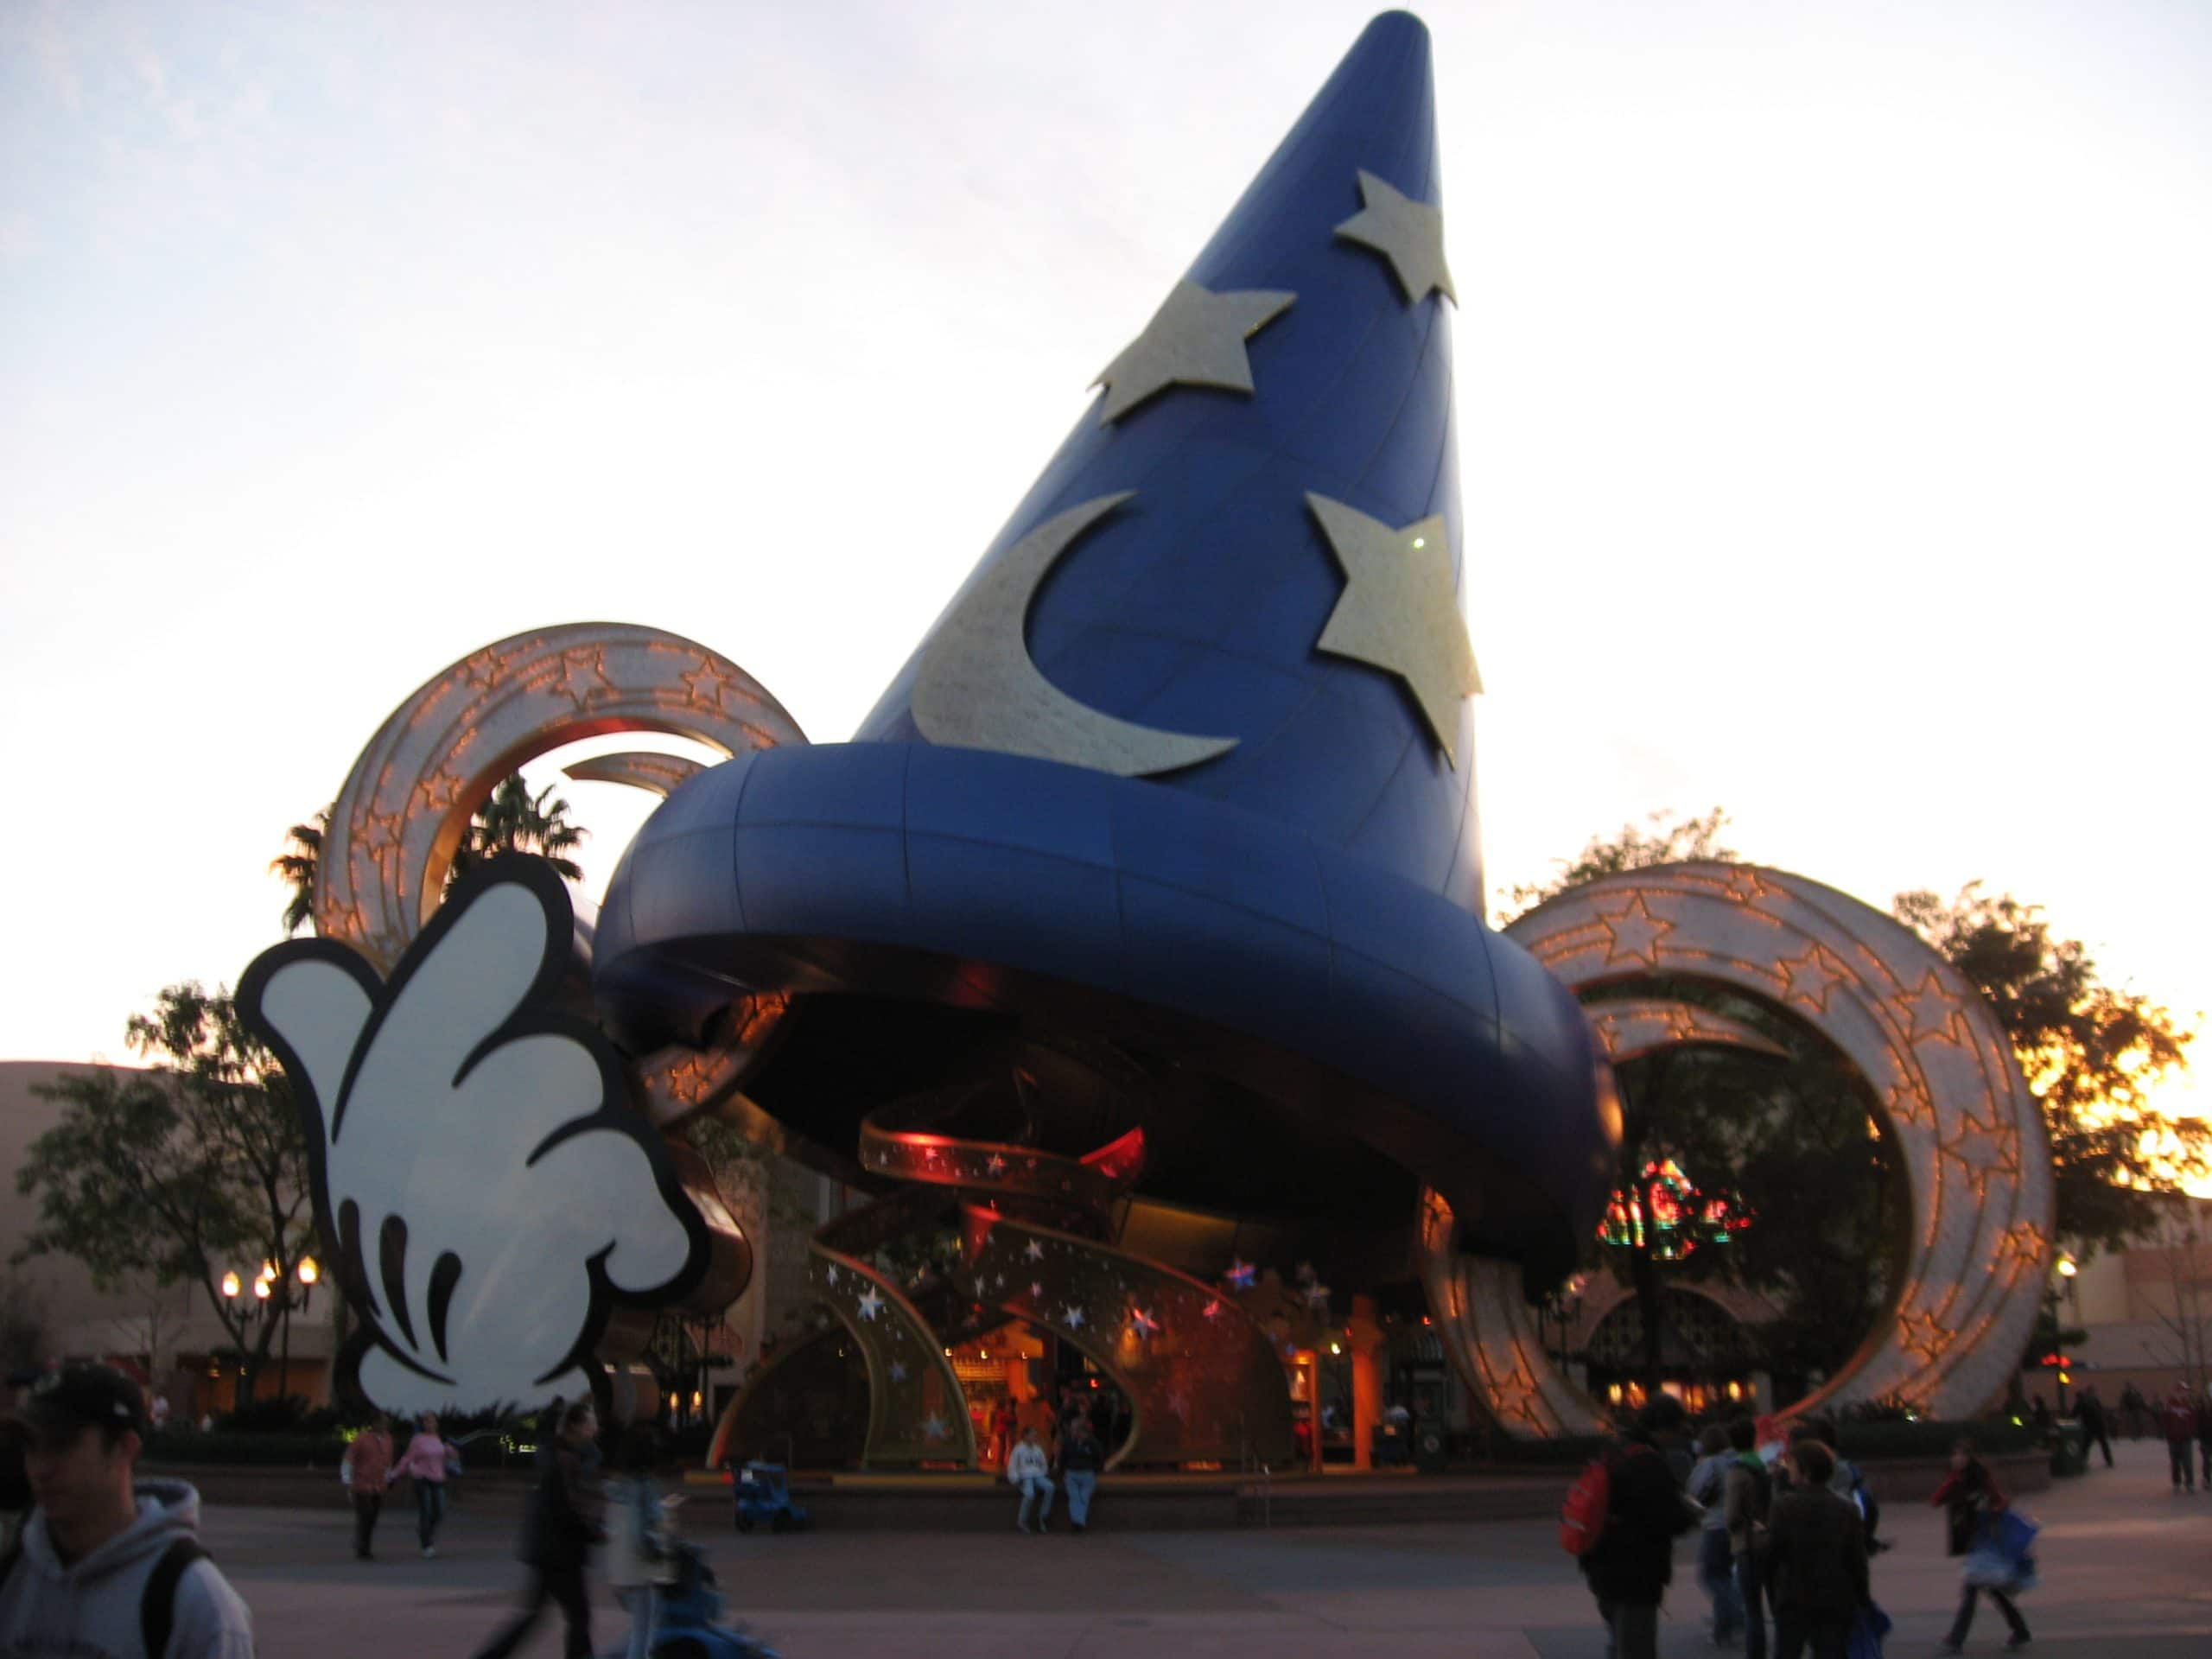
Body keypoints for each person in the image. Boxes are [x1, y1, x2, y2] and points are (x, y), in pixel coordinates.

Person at [0, 1361, 254, 1656]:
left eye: (61, 1445)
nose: (40, 1467)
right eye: (31, 1446)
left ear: (125, 1448)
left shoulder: (195, 1602)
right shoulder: (13, 1575)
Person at [473, 1399, 604, 1659]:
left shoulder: (554, 1454)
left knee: (537, 1613)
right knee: (577, 1614)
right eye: (591, 1424)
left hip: (548, 1547)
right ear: (575, 1427)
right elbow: (568, 1507)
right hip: (559, 1551)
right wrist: (594, 1532)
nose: (594, 1430)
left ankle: (490, 1656)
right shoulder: (564, 1459)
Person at [1581, 1395, 1695, 1659]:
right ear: (1665, 1428)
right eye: (1678, 1430)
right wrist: (1690, 1515)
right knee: (1636, 1646)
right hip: (1636, 1572)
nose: (1680, 1438)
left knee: (1617, 1641)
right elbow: (1669, 1518)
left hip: (1600, 1564)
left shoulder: (1611, 1452)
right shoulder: (1649, 1462)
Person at [1764, 1440, 1868, 1659]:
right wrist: (1861, 1598)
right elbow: (1857, 1561)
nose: (1787, 1469)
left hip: (1794, 1596)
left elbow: (1772, 1555)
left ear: (1805, 1470)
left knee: (1788, 1652)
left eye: (1791, 1464)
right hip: (1835, 1597)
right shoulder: (1847, 1509)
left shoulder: (1784, 1506)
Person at [1931, 1437, 2030, 1652]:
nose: (1956, 1458)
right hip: (1973, 1543)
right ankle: (2020, 1630)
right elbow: (1936, 1500)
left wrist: (1991, 1510)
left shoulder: (1981, 1478)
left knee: (1972, 1591)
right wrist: (1953, 1478)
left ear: (1969, 1457)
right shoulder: (1957, 1480)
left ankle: (1956, 1639)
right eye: (1954, 1455)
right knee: (1994, 1591)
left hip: (1985, 1543)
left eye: (1960, 1455)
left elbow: (2001, 1501)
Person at [601, 1423, 666, 1659]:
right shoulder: (643, 1487)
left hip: (618, 1570)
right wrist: (657, 1551)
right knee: (643, 1632)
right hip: (639, 1570)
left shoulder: (615, 1487)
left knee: (640, 1626)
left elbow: (607, 1529)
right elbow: (642, 1531)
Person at [1722, 1415, 1774, 1659]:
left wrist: (1733, 1527)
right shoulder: (1765, 1466)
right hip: (1769, 1539)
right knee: (1775, 1603)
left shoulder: (1737, 1472)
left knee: (1753, 1609)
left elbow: (1731, 1515)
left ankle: (1756, 1654)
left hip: (1746, 1543)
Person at [1688, 1423, 1744, 1644]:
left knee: (1710, 1575)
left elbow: (1696, 1491)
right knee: (1725, 1575)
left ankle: (1735, 1615)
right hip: (1736, 1523)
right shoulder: (1736, 1461)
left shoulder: (1710, 1464)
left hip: (1715, 1524)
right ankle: (1724, 1628)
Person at [388, 1408, 461, 1556]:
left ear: (436, 1423)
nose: (429, 1423)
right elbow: (407, 1459)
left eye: (432, 1420)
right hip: (422, 1478)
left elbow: (449, 1457)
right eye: (426, 1420)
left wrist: (451, 1451)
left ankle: (426, 1531)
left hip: (438, 1478)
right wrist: (394, 1474)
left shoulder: (440, 1439)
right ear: (422, 1424)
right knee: (426, 1511)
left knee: (439, 1511)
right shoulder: (418, 1440)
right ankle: (426, 1544)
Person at [341, 1412, 394, 1560]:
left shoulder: (388, 1439)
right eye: (382, 1423)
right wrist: (347, 1479)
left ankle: (363, 1543)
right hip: (361, 1484)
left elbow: (388, 1461)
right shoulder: (361, 1440)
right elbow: (348, 1459)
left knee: (373, 1517)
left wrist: (388, 1477)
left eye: (386, 1423)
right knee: (366, 1514)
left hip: (379, 1484)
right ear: (374, 1424)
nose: (384, 1426)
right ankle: (362, 1547)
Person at [1058, 1414, 1104, 1534]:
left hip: (1087, 1474)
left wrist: (1095, 1470)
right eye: (1072, 1429)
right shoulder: (1068, 1442)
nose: (1072, 1431)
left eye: (1074, 1429)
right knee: (1074, 1497)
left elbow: (1100, 1458)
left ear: (1081, 1430)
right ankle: (1078, 1523)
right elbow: (1062, 1458)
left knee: (1084, 1497)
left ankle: (1077, 1521)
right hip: (1071, 1474)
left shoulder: (1092, 1443)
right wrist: (1063, 1472)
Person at [1007, 1426, 1055, 1534]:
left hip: (1037, 1475)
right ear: (1026, 1436)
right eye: (1032, 1435)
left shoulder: (1038, 1449)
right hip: (1024, 1476)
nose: (1034, 1437)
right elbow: (1012, 1465)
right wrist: (1015, 1478)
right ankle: (1022, 1521)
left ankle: (1042, 1516)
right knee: (1029, 1494)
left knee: (1050, 1487)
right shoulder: (1018, 1449)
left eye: (1035, 1435)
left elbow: (1043, 1464)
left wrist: (1042, 1473)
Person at [2158, 1381, 2197, 1492]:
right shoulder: (2169, 1405)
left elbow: (2193, 1421)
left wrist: (2190, 1432)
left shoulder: (2189, 1405)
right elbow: (2165, 1420)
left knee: (2187, 1462)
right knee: (2175, 1462)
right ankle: (2176, 1482)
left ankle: (2190, 1483)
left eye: (2185, 1391)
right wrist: (2168, 1433)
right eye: (2180, 1391)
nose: (2183, 1393)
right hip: (2173, 1439)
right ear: (2175, 1392)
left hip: (2186, 1438)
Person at [2073, 1385, 2113, 1469]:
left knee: (2086, 1444)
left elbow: (2074, 1414)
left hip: (2090, 1426)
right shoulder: (2094, 1400)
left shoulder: (2081, 1402)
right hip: (2099, 1424)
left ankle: (2082, 1460)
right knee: (2103, 1443)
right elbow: (2101, 1410)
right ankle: (2109, 1460)